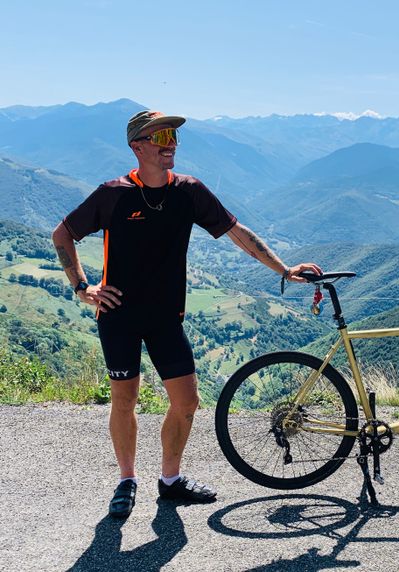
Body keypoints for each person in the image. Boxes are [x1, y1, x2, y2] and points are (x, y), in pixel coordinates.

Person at [52, 110, 322, 518]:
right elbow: (63, 234)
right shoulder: (114, 194)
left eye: (175, 135)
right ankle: (126, 480)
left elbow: (237, 232)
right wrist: (83, 288)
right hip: (119, 315)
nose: (171, 143)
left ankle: (170, 480)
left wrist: (284, 270)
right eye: (160, 136)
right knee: (124, 401)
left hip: (165, 317)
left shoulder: (189, 191)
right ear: (137, 146)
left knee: (187, 402)